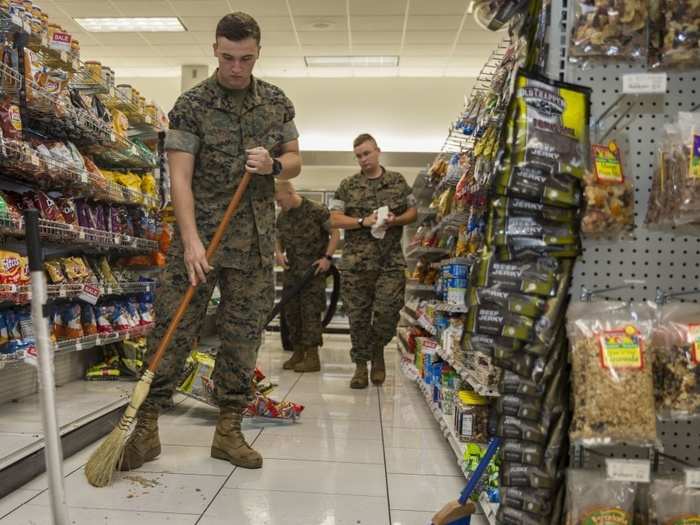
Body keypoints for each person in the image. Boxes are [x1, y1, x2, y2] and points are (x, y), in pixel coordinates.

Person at [120, 12, 301, 471]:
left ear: (258, 52)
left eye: (245, 58)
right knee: (171, 331)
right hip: (198, 239)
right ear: (214, 50)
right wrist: (191, 242)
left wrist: (274, 166)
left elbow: (296, 158)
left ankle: (229, 430)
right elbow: (179, 179)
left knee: (243, 338)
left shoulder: (277, 103)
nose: (236, 67)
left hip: (255, 244)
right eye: (227, 57)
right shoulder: (192, 104)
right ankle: (145, 429)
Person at [330, 134, 417, 389]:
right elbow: (334, 218)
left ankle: (377, 349)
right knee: (357, 318)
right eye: (358, 156)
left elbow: (412, 213)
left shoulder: (397, 181)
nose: (363, 159)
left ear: (378, 151)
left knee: (388, 312)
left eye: (367, 153)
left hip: (389, 263)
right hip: (356, 265)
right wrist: (361, 222)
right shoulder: (347, 185)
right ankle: (360, 366)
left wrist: (394, 220)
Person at [274, 180, 340, 372]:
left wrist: (327, 258)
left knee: (310, 313)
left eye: (279, 200)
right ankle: (298, 352)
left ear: (289, 192)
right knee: (291, 313)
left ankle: (312, 357)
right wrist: (278, 253)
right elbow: (277, 237)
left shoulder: (316, 210)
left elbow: (335, 233)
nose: (279, 205)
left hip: (313, 273)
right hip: (291, 273)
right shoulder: (282, 217)